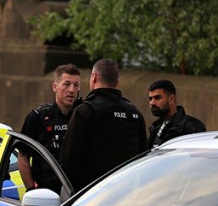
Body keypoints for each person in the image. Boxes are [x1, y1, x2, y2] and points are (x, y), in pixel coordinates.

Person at [59, 59, 148, 191]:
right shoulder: (134, 113)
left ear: (93, 77)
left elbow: (68, 159)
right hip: (125, 193)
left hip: (90, 195)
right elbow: (143, 157)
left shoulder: (85, 111)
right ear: (117, 82)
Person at [18, 64, 81, 193]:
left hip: (78, 192)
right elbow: (23, 156)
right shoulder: (37, 117)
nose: (72, 90)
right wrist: (31, 190)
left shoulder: (83, 116)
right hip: (46, 192)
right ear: (55, 87)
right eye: (66, 84)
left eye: (76, 85)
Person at [146, 79, 206, 147]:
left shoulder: (192, 127)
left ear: (171, 99)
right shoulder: (156, 127)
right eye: (150, 99)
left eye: (157, 98)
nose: (152, 103)